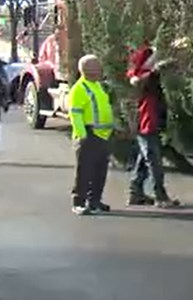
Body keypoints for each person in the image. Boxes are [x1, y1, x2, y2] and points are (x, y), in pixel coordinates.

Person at [126, 43, 181, 208]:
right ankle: (160, 195)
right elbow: (143, 80)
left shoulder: (145, 77)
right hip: (146, 124)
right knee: (154, 161)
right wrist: (156, 69)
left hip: (147, 123)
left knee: (144, 160)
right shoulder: (142, 79)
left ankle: (135, 192)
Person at [68, 54, 114, 216]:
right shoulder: (79, 89)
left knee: (100, 171)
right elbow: (75, 113)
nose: (98, 70)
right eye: (94, 67)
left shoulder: (97, 86)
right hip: (88, 134)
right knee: (84, 171)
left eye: (98, 66)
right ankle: (79, 202)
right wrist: (82, 134)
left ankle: (94, 201)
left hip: (102, 135)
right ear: (84, 70)